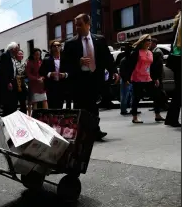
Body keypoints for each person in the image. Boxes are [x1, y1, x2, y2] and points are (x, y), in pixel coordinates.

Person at [61, 13, 119, 141]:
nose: (77, 28)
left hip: (94, 78)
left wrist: (113, 71)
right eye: (76, 26)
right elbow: (64, 65)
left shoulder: (99, 40)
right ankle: (81, 132)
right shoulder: (70, 43)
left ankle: (94, 131)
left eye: (80, 25)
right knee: (81, 107)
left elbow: (107, 58)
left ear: (88, 24)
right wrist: (78, 62)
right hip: (79, 80)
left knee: (93, 106)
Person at [122, 34, 165, 123]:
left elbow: (151, 67)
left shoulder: (150, 53)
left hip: (148, 78)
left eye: (150, 40)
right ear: (143, 41)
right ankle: (134, 117)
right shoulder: (136, 52)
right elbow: (129, 65)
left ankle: (157, 115)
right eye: (147, 40)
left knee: (156, 95)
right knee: (136, 98)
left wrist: (155, 78)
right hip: (137, 78)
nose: (149, 42)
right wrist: (126, 78)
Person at [165, 0, 181, 127]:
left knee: (178, 92)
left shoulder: (178, 23)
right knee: (179, 92)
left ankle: (171, 118)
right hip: (179, 60)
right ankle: (171, 119)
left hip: (176, 61)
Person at [39, 40, 68, 109]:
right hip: (51, 86)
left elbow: (71, 70)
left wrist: (65, 74)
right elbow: (41, 71)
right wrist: (49, 74)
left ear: (61, 47)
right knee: (51, 106)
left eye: (58, 45)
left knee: (60, 106)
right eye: (54, 46)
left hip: (62, 85)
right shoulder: (46, 59)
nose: (56, 47)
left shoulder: (65, 59)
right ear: (51, 48)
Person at [0, 42, 20, 116]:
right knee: (8, 103)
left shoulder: (12, 57)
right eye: (17, 49)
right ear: (12, 49)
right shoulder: (4, 56)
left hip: (13, 81)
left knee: (14, 102)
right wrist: (8, 82)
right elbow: (3, 71)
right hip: (7, 83)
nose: (18, 51)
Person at [14, 50, 29, 114]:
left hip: (23, 84)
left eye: (22, 54)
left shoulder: (23, 63)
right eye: (19, 54)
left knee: (24, 102)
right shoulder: (14, 63)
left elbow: (26, 75)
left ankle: (24, 114)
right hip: (16, 84)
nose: (21, 56)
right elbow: (18, 74)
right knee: (17, 102)